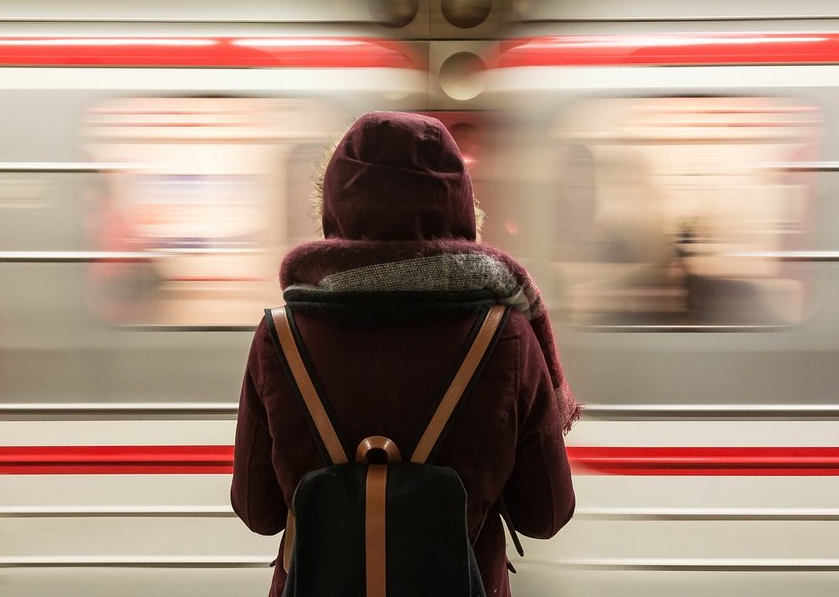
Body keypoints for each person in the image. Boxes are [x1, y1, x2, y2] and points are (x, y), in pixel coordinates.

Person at [231, 111, 579, 597]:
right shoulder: (508, 336)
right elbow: (546, 514)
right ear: (459, 206)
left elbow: (258, 510)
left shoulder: (280, 336)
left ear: (334, 206)